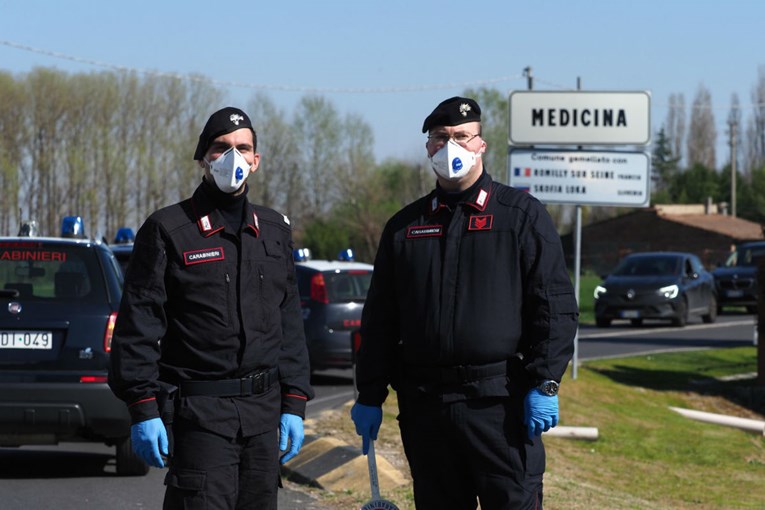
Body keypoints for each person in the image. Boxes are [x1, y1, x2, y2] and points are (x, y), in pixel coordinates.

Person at [351, 96, 578, 509]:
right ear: (428, 148)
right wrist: (369, 394)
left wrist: (545, 380)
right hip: (427, 408)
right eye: (440, 137)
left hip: (500, 407)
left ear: (481, 145)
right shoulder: (405, 227)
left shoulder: (521, 217)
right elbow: (381, 319)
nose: (450, 146)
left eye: (461, 136)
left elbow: (555, 307)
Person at [108, 106, 313, 509]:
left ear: (256, 160)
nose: (233, 157)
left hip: (262, 417)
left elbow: (288, 320)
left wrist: (295, 401)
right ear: (204, 157)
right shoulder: (169, 229)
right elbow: (139, 326)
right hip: (200, 418)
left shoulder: (274, 230)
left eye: (243, 148)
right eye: (221, 148)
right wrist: (142, 407)